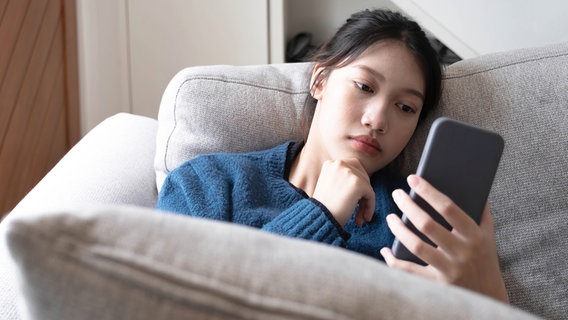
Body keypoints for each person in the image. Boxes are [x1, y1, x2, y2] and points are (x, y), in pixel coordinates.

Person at [156, 9, 509, 303]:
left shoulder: (412, 221)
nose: (378, 120)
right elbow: (175, 304)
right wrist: (321, 214)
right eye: (364, 87)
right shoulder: (208, 183)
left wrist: (490, 289)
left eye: (405, 107)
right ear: (320, 81)